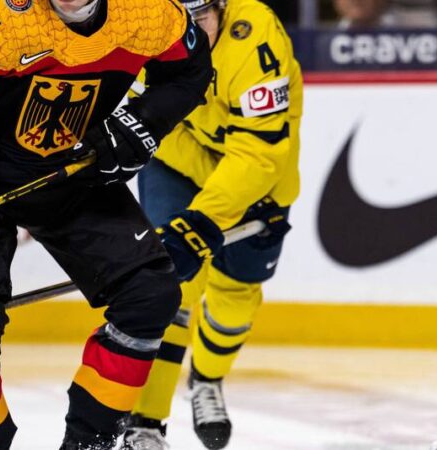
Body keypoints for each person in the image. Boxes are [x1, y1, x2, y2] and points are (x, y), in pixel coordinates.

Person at [0, 0, 212, 448]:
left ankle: (88, 444)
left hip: (72, 169)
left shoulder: (148, 11)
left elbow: (190, 72)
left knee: (150, 293)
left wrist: (142, 123)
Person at [120, 0, 302, 449]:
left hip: (255, 178)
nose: (191, 35)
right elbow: (133, 117)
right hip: (176, 163)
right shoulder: (140, 28)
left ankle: (206, 379)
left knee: (234, 298)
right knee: (167, 291)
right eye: (180, 23)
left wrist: (202, 219)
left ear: (222, 7)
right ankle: (145, 423)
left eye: (200, 19)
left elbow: (259, 151)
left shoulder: (254, 36)